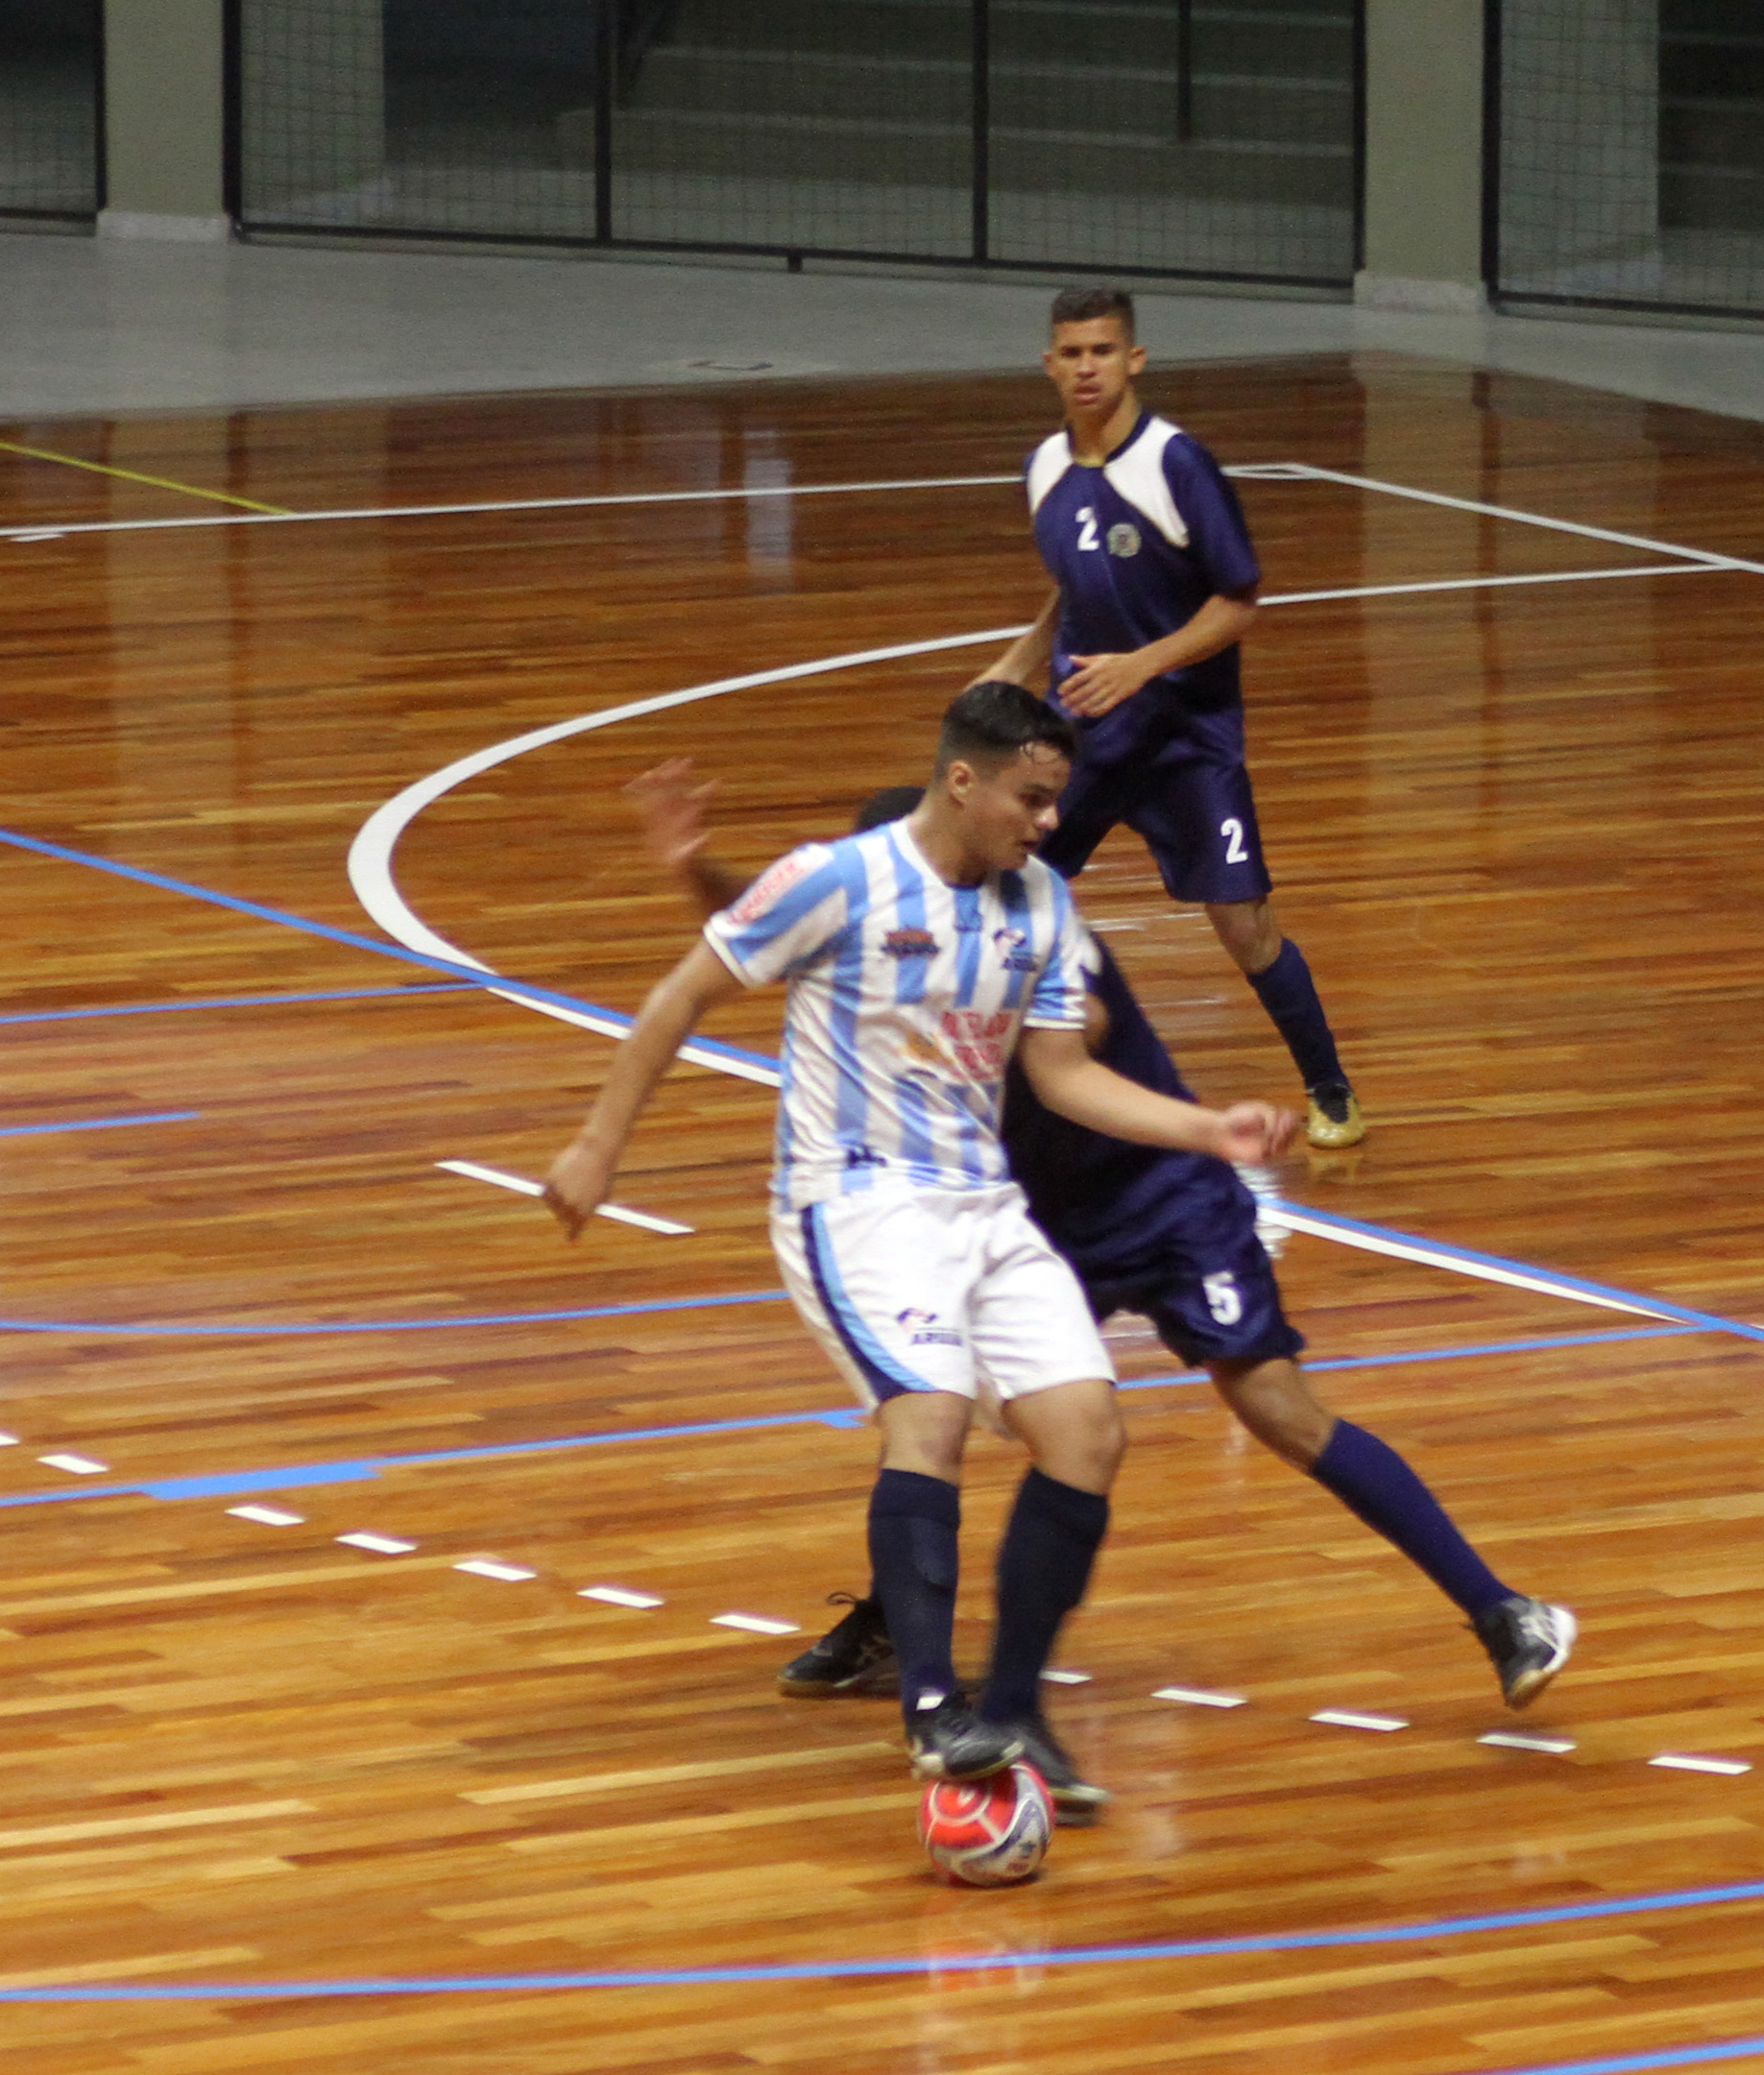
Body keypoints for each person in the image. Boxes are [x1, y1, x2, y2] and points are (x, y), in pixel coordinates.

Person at [626, 761, 1581, 1786]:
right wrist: (694, 870)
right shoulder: (879, 922)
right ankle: (902, 1631)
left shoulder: (1024, 927)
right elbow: (779, 930)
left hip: (1165, 1202)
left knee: (1279, 1410)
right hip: (1032, 1219)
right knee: (942, 1411)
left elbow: (1072, 1037)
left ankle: (1502, 1611)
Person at [540, 681, 1293, 1877]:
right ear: (963, 782)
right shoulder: (835, 879)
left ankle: (1010, 1702)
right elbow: (685, 994)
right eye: (1033, 800)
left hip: (982, 1202)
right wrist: (597, 1144)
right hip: (853, 1201)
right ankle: (936, 1712)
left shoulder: (1040, 902)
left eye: (1056, 802)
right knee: (927, 1418)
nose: (1049, 823)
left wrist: (1210, 1131)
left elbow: (1057, 1072)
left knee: (1089, 1432)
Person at [982, 283, 1372, 1147]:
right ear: (1050, 364)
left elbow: (1239, 602)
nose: (1088, 368)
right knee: (1002, 888)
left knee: (1245, 927)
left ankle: (1331, 1087)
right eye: (1072, 353)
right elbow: (1076, 580)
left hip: (1187, 745)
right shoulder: (1044, 468)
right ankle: (982, 1084)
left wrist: (1140, 669)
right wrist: (1022, 655)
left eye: (1103, 351)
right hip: (1079, 739)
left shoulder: (1175, 465)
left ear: (1135, 360)